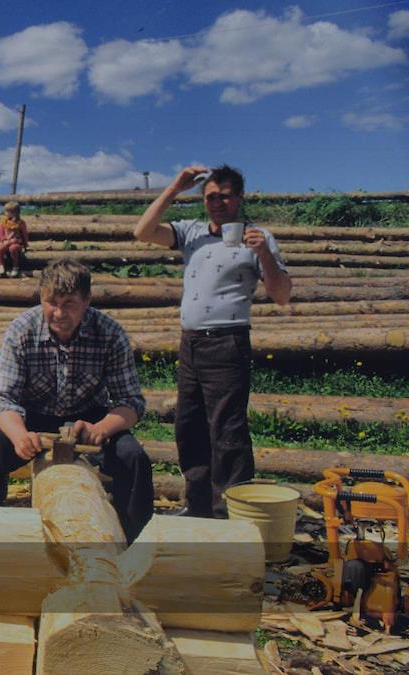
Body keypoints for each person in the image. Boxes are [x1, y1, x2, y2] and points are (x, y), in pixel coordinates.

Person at [134, 164, 291, 518]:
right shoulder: (191, 232)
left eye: (225, 196)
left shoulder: (258, 238)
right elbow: (142, 231)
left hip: (227, 342)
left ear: (240, 197)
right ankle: (198, 506)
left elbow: (281, 295)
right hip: (190, 342)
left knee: (227, 430)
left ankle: (229, 514)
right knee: (189, 426)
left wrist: (264, 254)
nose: (217, 203)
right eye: (210, 197)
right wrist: (174, 187)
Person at [0, 259, 153, 542]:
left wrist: (102, 428)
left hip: (89, 418)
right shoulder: (22, 330)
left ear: (87, 300)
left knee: (133, 458)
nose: (58, 313)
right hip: (34, 416)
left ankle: (136, 541)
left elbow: (130, 402)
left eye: (69, 304)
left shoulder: (110, 333)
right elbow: (4, 399)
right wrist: (19, 436)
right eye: (51, 302)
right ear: (40, 298)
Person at [0, 201, 29, 278]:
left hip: (17, 242)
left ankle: (15, 267)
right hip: (6, 241)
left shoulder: (20, 223)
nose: (6, 213)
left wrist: (26, 245)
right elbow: (1, 234)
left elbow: (24, 234)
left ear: (15, 213)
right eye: (6, 211)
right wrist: (4, 240)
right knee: (1, 249)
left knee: (13, 248)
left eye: (8, 212)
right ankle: (1, 265)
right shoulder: (3, 222)